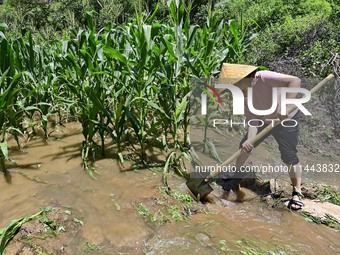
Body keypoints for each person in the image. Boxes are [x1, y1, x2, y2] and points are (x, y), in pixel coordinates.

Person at [217, 63, 304, 210]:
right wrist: (250, 140)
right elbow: (253, 120)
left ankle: (297, 192)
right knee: (244, 146)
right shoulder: (243, 95)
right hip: (264, 119)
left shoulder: (263, 77)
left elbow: (295, 81)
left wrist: (285, 107)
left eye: (236, 84)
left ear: (248, 77)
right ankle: (235, 177)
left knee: (288, 155)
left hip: (286, 118)